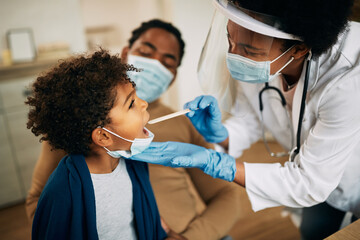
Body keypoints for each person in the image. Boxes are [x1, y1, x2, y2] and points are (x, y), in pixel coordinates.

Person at [130, 0, 360, 239]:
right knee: (313, 230)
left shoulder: (348, 79)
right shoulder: (258, 55)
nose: (235, 56)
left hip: (352, 178)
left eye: (249, 52)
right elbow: (251, 120)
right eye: (230, 41)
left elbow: (309, 183)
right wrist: (221, 135)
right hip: (316, 181)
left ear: (299, 49)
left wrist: (218, 164)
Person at [25, 19, 241, 240]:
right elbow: (40, 203)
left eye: (167, 62)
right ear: (126, 53)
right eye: (146, 52)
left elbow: (224, 194)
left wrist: (189, 237)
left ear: (174, 75)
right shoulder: (74, 122)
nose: (154, 65)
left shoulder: (186, 122)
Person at [26, 49, 169, 239]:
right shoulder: (61, 194)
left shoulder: (135, 164)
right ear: (103, 136)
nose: (144, 104)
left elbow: (146, 219)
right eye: (131, 104)